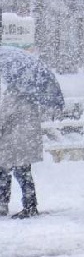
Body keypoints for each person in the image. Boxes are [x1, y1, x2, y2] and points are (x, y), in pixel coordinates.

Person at [0, 76, 45, 219]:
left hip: (13, 145)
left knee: (4, 174)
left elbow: (2, 119)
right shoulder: (32, 99)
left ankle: (3, 204)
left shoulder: (12, 98)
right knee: (24, 175)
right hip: (27, 146)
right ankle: (30, 205)